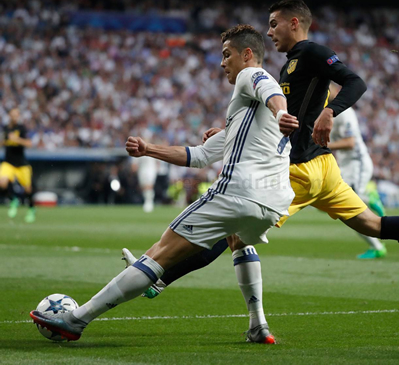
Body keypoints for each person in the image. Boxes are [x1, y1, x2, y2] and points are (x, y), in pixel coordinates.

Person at [119, 0, 399, 305]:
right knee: (373, 224)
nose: (269, 31)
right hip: (324, 169)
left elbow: (355, 81)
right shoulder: (291, 65)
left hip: (298, 170)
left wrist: (329, 111)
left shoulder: (310, 52)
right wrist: (230, 132)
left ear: (294, 23)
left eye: (274, 24)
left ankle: (159, 276)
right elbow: (278, 115)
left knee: (231, 231)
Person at [30, 24, 298, 344]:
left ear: (248, 54)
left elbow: (267, 87)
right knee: (239, 241)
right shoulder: (245, 121)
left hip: (240, 190)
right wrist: (149, 149)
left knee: (160, 252)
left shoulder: (251, 75)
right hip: (274, 202)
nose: (223, 62)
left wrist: (282, 111)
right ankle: (258, 325)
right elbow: (198, 156)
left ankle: (76, 319)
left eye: (227, 55)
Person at [329, 86, 387, 259]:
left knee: (348, 207)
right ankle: (376, 246)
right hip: (346, 166)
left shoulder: (345, 112)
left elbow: (350, 143)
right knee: (341, 206)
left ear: (336, 90)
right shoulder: (329, 112)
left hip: (357, 163)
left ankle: (370, 198)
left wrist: (324, 145)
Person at [0, 108, 36, 223]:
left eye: (17, 115)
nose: (15, 117)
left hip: (21, 163)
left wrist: (17, 139)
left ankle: (31, 209)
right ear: (10, 116)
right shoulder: (6, 128)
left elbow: (29, 143)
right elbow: (4, 142)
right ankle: (13, 200)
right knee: (2, 182)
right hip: (9, 162)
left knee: (28, 189)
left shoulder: (21, 128)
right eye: (13, 115)